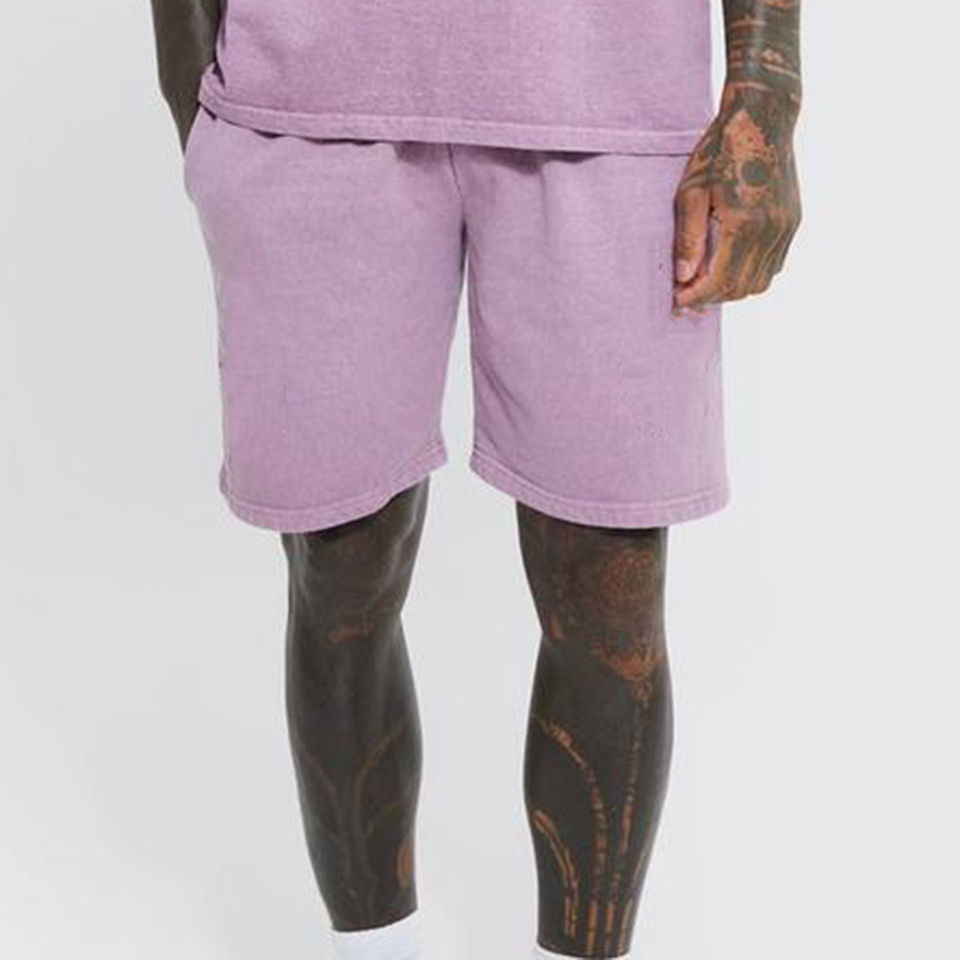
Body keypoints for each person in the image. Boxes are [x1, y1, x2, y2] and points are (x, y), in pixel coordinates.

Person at [149, 1, 802, 957]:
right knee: (340, 574)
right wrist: (201, 121)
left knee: (610, 592)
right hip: (307, 102)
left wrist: (766, 91)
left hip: (613, 105)